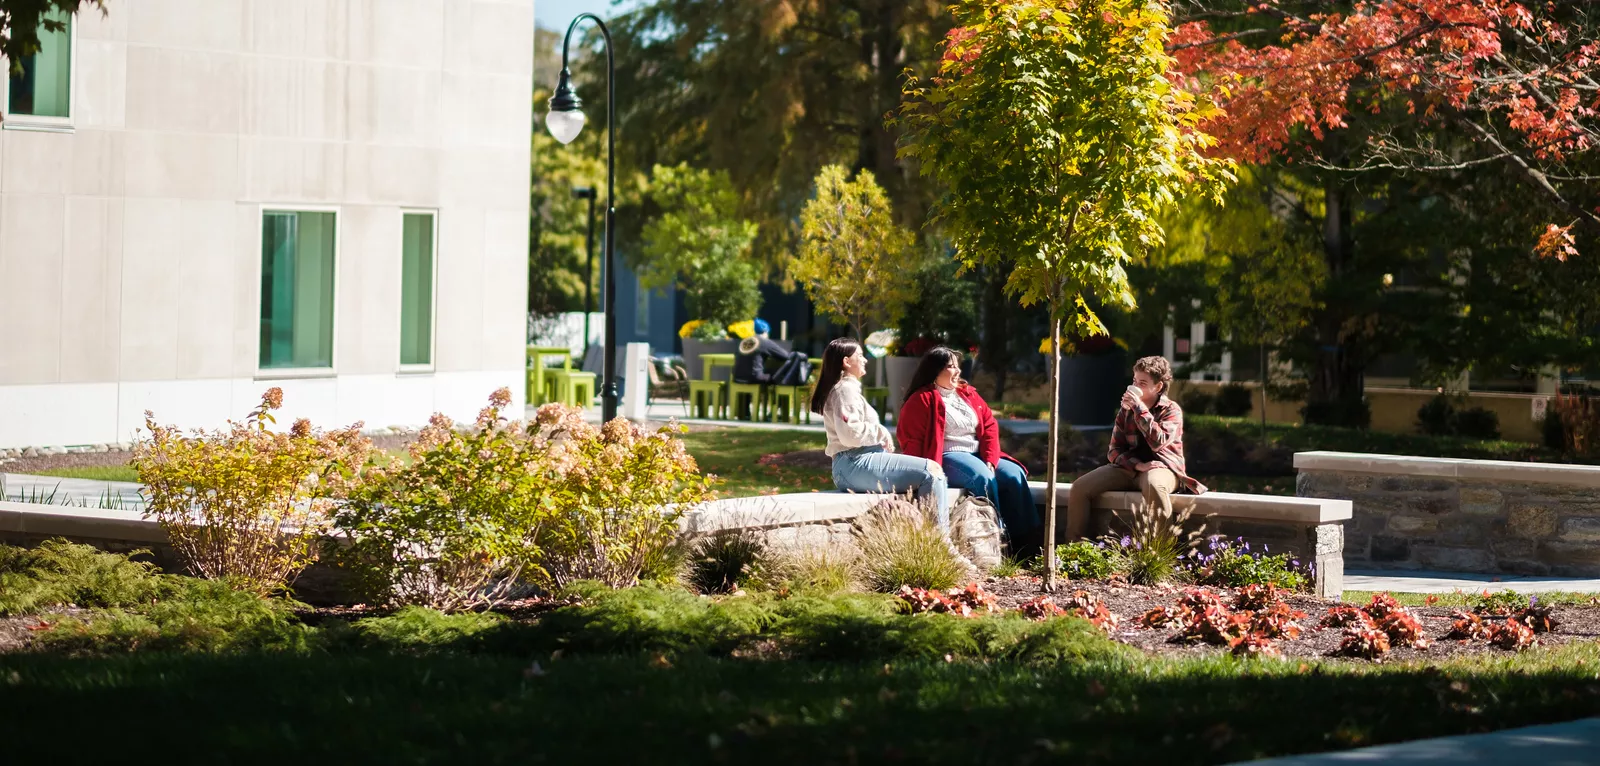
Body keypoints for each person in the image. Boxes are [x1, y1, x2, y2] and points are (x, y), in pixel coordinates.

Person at [897, 346, 1040, 555]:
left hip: (978, 454)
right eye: (950, 367)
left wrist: (990, 459)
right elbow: (910, 439)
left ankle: (1028, 545)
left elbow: (990, 425)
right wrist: (921, 472)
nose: (957, 371)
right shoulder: (921, 400)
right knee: (982, 477)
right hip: (946, 456)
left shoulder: (968, 394)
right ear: (935, 371)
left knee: (1014, 475)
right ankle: (997, 541)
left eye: (957, 366)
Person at [1064, 355, 1207, 541]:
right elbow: (1113, 450)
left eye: (1142, 382)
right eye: (1134, 381)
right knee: (1079, 488)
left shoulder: (1171, 410)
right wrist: (1137, 465)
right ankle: (1073, 549)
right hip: (1130, 468)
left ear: (1158, 386)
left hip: (1162, 468)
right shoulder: (1126, 410)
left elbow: (1159, 441)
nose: (1135, 386)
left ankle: (1161, 554)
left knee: (1153, 485)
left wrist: (1139, 409)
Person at [811, 338, 950, 528]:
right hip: (855, 463)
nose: (865, 360)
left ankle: (932, 538)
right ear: (846, 362)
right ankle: (941, 543)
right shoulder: (845, 390)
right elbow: (849, 434)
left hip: (854, 464)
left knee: (932, 471)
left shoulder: (846, 389)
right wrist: (880, 432)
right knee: (932, 472)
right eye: (860, 355)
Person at [734, 319, 810, 385]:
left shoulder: (745, 340)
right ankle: (773, 400)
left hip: (737, 377)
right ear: (766, 331)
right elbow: (785, 356)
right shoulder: (764, 341)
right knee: (774, 377)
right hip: (754, 378)